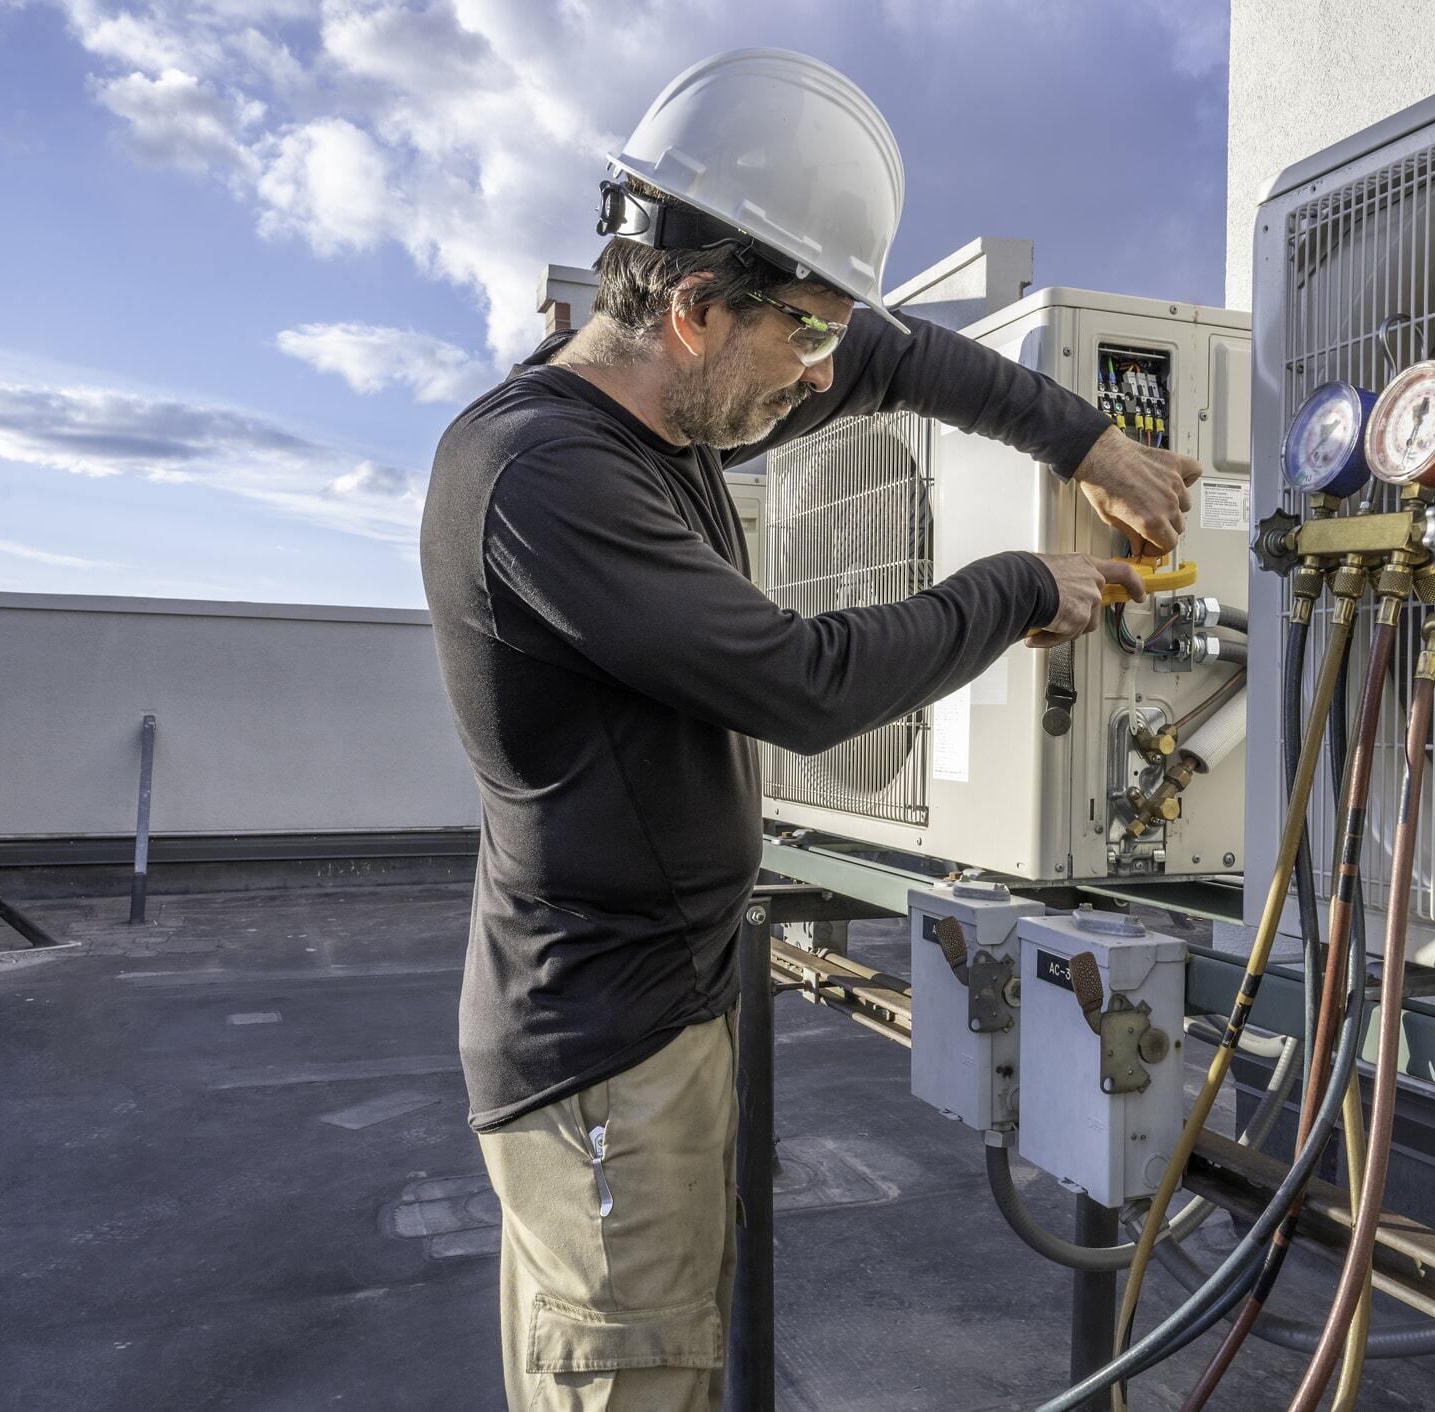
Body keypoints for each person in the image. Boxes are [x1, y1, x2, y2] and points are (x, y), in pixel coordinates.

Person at [420, 49, 1203, 1412]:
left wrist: (1085, 446)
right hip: (599, 1046)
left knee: (661, 1351)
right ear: (695, 311)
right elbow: (800, 683)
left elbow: (899, 357)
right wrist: (1018, 587)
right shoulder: (541, 474)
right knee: (626, 1367)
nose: (820, 373)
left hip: (657, 1014)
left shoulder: (685, 409)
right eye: (802, 340)